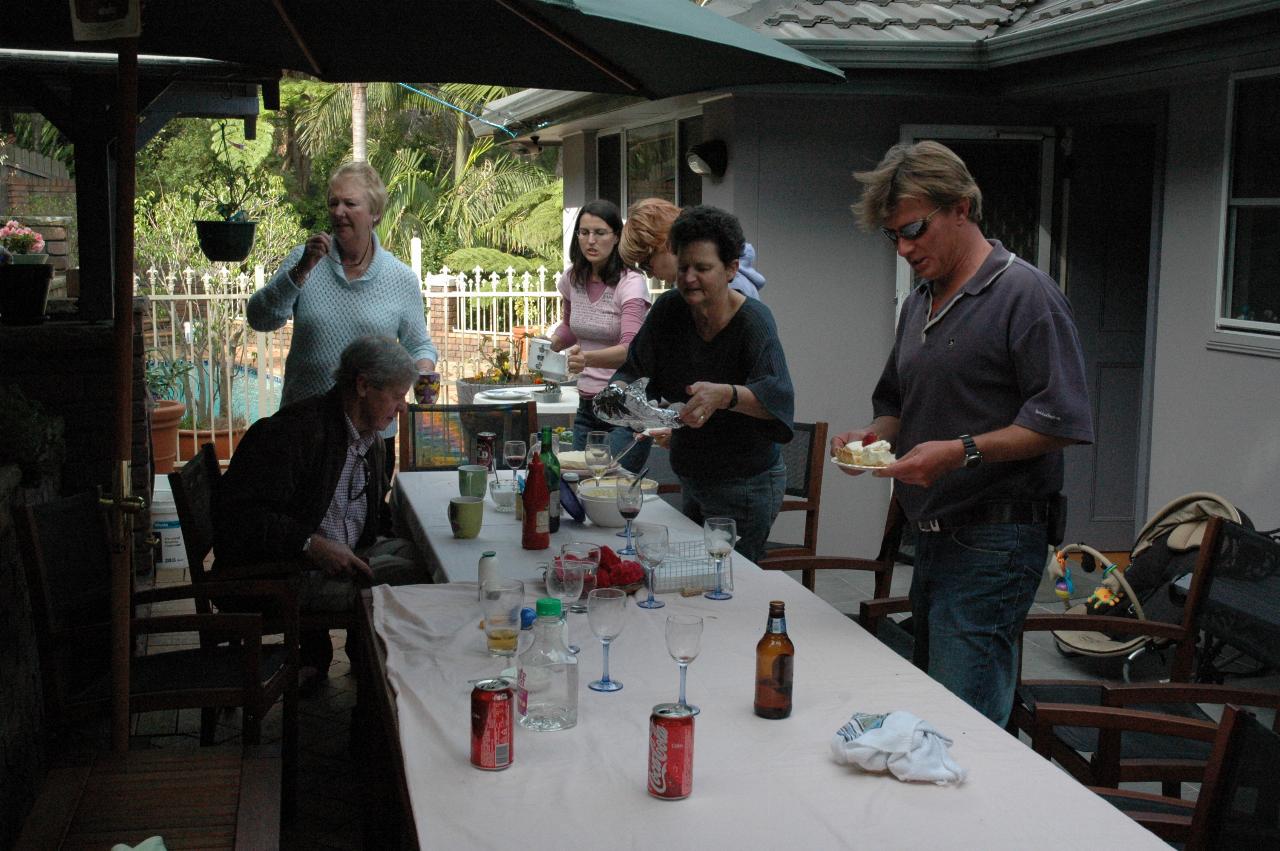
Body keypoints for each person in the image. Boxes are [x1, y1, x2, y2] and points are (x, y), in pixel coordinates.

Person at [833, 140, 1094, 727]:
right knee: (933, 706)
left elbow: (1062, 420)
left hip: (996, 540)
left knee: (962, 721)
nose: (904, 248)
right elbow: (896, 404)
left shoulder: (1025, 296)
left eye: (915, 229)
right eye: (892, 236)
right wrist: (868, 438)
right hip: (932, 535)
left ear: (962, 206)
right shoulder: (920, 302)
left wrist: (961, 453)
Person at [213, 335, 430, 690]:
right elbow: (240, 518)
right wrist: (310, 544)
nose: (402, 407)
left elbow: (371, 513)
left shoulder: (368, 439)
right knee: (417, 584)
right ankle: (379, 700)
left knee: (420, 556)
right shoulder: (296, 433)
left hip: (332, 559)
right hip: (284, 575)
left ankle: (370, 671)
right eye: (396, 395)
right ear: (362, 386)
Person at [610, 205, 794, 563]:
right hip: (692, 473)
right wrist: (620, 398)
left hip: (746, 483)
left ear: (731, 269)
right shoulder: (669, 310)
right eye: (683, 268)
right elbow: (635, 370)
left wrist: (725, 395)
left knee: (729, 582)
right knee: (692, 579)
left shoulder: (754, 322)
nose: (690, 278)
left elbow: (777, 398)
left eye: (703, 268)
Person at [247, 161, 437, 482]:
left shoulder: (400, 278)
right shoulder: (304, 260)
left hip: (372, 434)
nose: (338, 211)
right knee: (301, 526)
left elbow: (419, 344)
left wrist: (422, 373)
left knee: (365, 528)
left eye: (350, 203)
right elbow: (260, 318)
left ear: (374, 212)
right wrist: (300, 272)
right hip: (304, 428)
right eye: (333, 202)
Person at [547, 200, 652, 473]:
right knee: (580, 484)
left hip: (625, 406)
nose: (590, 241)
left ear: (617, 236)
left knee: (609, 482)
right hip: (587, 405)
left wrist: (587, 359)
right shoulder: (572, 279)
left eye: (600, 233)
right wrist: (551, 344)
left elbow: (631, 349)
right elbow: (571, 326)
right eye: (584, 232)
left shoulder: (631, 283)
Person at [619, 197, 768, 298]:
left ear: (665, 242)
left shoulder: (731, 288)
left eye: (646, 264)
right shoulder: (679, 294)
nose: (650, 275)